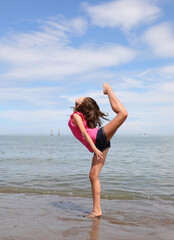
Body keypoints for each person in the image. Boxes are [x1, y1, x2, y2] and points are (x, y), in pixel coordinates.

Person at [68, 83, 128, 218]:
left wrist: (94, 148)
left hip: (98, 139)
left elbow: (84, 133)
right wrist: (95, 148)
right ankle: (97, 211)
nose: (81, 96)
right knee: (93, 175)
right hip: (100, 143)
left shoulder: (76, 116)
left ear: (81, 106)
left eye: (83, 98)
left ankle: (109, 91)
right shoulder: (80, 115)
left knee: (123, 114)